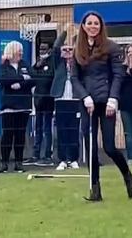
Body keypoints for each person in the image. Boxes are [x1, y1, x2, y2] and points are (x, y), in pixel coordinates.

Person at [72, 11, 132, 202]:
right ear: (84, 26)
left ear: (100, 26)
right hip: (88, 104)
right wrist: (85, 97)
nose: (93, 26)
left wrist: (113, 99)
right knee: (90, 147)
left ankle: (128, 176)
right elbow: (74, 78)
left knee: (109, 147)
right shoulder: (79, 49)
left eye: (96, 23)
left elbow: (118, 75)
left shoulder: (111, 47)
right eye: (89, 23)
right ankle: (95, 189)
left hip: (106, 102)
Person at [0, 41, 34, 173]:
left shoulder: (25, 65)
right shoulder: (4, 67)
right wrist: (22, 77)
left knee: (20, 135)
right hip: (8, 105)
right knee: (7, 134)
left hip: (24, 105)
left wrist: (20, 84)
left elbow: (33, 79)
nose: (21, 53)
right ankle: (4, 162)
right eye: (19, 50)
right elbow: (4, 80)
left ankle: (19, 162)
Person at [50, 24, 81, 171]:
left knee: (74, 130)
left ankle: (74, 159)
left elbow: (82, 48)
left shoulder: (78, 64)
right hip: (61, 99)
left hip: (75, 100)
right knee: (61, 131)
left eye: (70, 50)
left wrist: (77, 34)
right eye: (65, 50)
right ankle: (62, 159)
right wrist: (64, 32)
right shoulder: (58, 64)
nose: (68, 52)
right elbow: (56, 47)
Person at [25, 41, 54, 167]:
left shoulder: (52, 62)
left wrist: (36, 73)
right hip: (38, 99)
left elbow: (47, 77)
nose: (42, 51)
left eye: (44, 48)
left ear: (49, 49)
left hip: (48, 99)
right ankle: (35, 154)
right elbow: (30, 73)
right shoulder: (38, 63)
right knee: (38, 128)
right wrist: (36, 67)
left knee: (47, 128)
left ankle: (48, 155)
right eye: (40, 49)